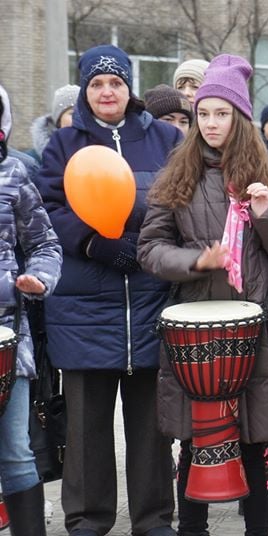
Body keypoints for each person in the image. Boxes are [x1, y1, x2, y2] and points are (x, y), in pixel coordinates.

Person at [137, 53, 268, 536]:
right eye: (204, 114)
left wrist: (266, 211)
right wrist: (195, 261)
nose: (211, 123)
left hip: (259, 328)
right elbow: (150, 250)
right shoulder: (177, 175)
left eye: (222, 113)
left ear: (241, 117)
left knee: (257, 443)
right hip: (194, 330)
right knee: (196, 443)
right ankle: (193, 528)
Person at [35, 44, 182, 536]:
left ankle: (154, 518)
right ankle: (87, 519)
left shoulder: (163, 138)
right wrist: (96, 243)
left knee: (151, 426)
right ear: (85, 90)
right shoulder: (63, 144)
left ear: (129, 86)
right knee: (86, 428)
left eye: (115, 82)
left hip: (149, 299)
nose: (106, 91)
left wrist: (144, 245)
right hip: (83, 306)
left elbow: (179, 201)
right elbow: (49, 210)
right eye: (96, 83)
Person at [0, 82, 62, 536]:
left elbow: (43, 242)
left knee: (17, 452)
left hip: (7, 340)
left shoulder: (14, 175)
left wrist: (38, 278)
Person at [29, 84, 79, 162]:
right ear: (59, 120)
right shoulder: (32, 160)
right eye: (72, 113)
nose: (79, 118)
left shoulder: (97, 152)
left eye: (83, 113)